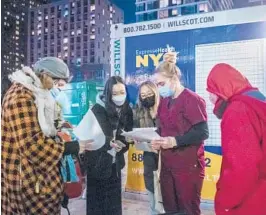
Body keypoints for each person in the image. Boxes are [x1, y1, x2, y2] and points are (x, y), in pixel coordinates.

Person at [1, 57, 80, 215]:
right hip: (26, 180)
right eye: (56, 82)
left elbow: (41, 131)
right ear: (44, 74)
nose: (56, 87)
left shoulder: (37, 94)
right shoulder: (20, 97)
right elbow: (33, 146)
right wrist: (73, 147)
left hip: (39, 180)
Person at [151, 48, 209, 215]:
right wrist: (156, 140)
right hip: (168, 167)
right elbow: (162, 129)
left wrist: (175, 141)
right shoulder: (164, 101)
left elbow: (202, 132)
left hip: (188, 167)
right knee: (170, 209)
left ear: (174, 79)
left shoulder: (192, 100)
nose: (159, 88)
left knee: (188, 210)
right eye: (157, 85)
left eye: (161, 84)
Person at [206, 63, 266, 215]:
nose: (209, 97)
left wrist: (226, 202)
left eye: (211, 91)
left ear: (222, 89)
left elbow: (242, 167)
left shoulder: (237, 111)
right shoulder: (257, 103)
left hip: (248, 202)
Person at [74, 76, 133, 215]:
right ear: (108, 93)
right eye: (115, 93)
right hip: (97, 164)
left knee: (114, 205)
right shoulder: (97, 109)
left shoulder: (127, 110)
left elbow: (125, 136)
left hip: (115, 165)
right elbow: (88, 137)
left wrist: (124, 144)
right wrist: (108, 143)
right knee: (97, 205)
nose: (120, 96)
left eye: (122, 92)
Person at [133, 81, 160, 215]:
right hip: (149, 160)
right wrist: (135, 137)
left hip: (167, 161)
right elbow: (135, 134)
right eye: (143, 95)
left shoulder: (166, 109)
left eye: (149, 94)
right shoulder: (138, 112)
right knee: (153, 203)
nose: (146, 97)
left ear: (156, 92)